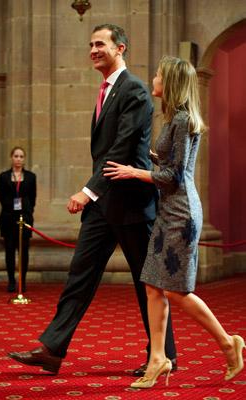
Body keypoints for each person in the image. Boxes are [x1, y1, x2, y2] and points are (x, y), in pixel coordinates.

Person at [8, 24, 177, 375]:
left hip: (132, 203)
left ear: (121, 48)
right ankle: (53, 349)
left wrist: (86, 191)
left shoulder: (135, 90)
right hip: (105, 204)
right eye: (90, 44)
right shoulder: (107, 91)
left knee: (146, 282)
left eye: (100, 43)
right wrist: (95, 194)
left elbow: (122, 149)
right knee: (79, 276)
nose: (93, 50)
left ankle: (165, 356)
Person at [103, 55, 245, 388]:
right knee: (153, 286)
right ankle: (158, 359)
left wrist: (134, 171)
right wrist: (143, 156)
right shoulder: (173, 120)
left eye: (158, 75)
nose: (153, 78)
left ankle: (229, 343)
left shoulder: (182, 120)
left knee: (177, 291)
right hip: (170, 210)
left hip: (180, 213)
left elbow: (174, 175)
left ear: (171, 83)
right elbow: (169, 161)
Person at [0, 146, 36, 292]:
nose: (18, 159)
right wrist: (12, 210)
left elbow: (32, 198)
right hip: (8, 218)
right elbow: (2, 197)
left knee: (23, 252)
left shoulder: (31, 177)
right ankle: (11, 281)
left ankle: (23, 281)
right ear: (11, 158)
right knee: (9, 250)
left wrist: (26, 211)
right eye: (16, 156)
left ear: (24, 159)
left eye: (21, 156)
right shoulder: (4, 176)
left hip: (24, 218)